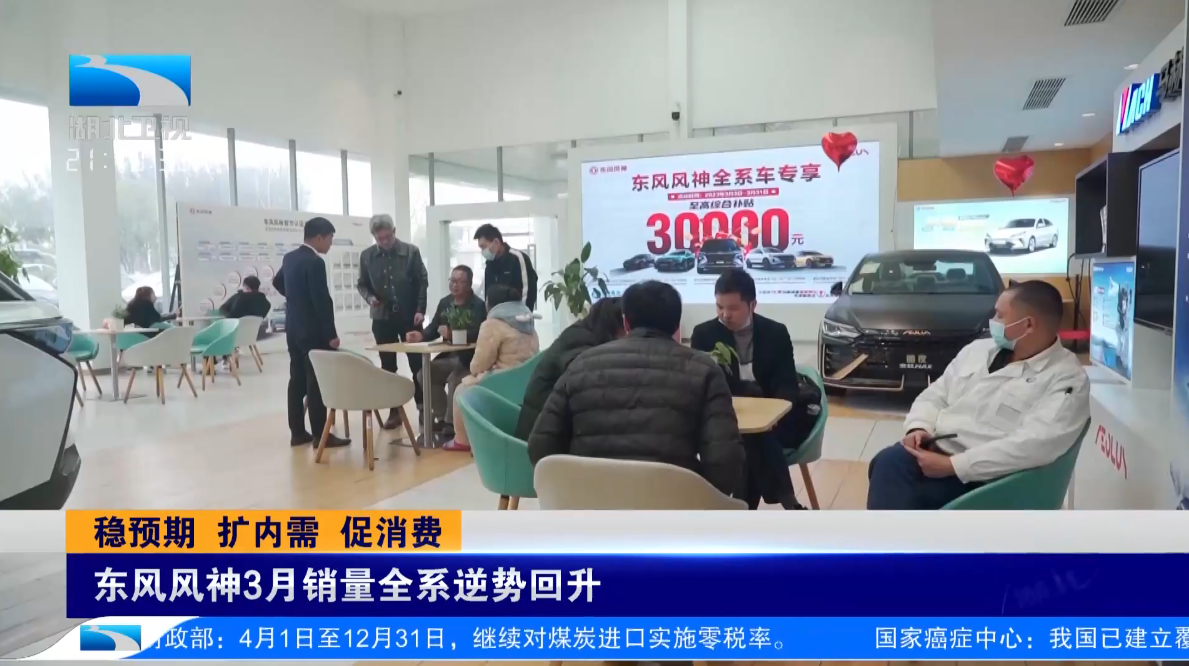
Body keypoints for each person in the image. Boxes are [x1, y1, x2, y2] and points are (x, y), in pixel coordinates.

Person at [866, 280, 1091, 510]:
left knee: (894, 484)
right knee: (887, 462)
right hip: (935, 449)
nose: (993, 321)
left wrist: (954, 466)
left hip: (986, 480)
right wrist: (919, 427)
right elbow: (935, 394)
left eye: (1000, 315)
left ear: (1029, 325)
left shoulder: (1066, 378)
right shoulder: (978, 350)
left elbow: (1034, 445)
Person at [527, 280, 745, 497]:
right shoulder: (704, 370)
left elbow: (541, 446)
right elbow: (725, 462)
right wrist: (700, 498)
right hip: (672, 506)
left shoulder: (581, 365)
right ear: (677, 325)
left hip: (592, 506)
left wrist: (573, 490)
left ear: (626, 322)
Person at [690, 269, 807, 510]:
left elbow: (787, 385)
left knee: (754, 436)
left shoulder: (775, 333)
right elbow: (701, 386)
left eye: (733, 308)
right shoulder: (704, 335)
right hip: (725, 417)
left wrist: (775, 415)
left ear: (752, 304)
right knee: (750, 438)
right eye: (719, 307)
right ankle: (787, 499)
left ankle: (743, 510)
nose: (725, 314)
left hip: (774, 419)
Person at [273, 217, 349, 449]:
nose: (330, 243)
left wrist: (295, 298)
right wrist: (331, 334)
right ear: (318, 238)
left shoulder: (290, 258)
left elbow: (277, 282)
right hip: (314, 332)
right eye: (330, 238)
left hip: (293, 329)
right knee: (316, 382)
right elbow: (321, 301)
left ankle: (297, 432)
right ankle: (320, 435)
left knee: (297, 380)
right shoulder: (315, 262)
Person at [514, 296, 624, 442]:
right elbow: (586, 386)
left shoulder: (582, 334)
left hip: (544, 427)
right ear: (616, 325)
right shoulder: (580, 343)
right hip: (540, 438)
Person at [357, 214, 429, 430]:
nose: (385, 242)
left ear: (394, 232)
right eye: (380, 239)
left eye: (388, 237)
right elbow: (362, 284)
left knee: (417, 364)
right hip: (382, 318)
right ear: (374, 237)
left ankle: (424, 409)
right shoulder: (367, 256)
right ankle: (394, 411)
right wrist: (370, 298)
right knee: (388, 366)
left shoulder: (411, 252)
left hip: (410, 316)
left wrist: (420, 309)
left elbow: (422, 281)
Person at [447, 285, 540, 451]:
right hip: (527, 384)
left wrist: (480, 370)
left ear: (491, 303)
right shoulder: (528, 324)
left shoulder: (492, 325)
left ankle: (462, 440)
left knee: (461, 390)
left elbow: (478, 365)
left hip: (501, 383)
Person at [406, 265, 487, 441]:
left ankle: (452, 423)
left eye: (460, 281)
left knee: (454, 379)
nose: (454, 285)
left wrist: (454, 334)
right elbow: (434, 327)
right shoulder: (445, 303)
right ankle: (442, 418)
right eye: (452, 280)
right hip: (448, 355)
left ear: (469, 284)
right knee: (424, 374)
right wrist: (420, 335)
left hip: (468, 359)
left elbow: (478, 332)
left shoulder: (478, 305)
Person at [474, 223, 537, 311]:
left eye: (484, 247)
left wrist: (523, 315)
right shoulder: (489, 264)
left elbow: (527, 290)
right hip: (495, 315)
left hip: (517, 315)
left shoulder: (517, 258)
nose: (483, 251)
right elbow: (487, 293)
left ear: (496, 242)